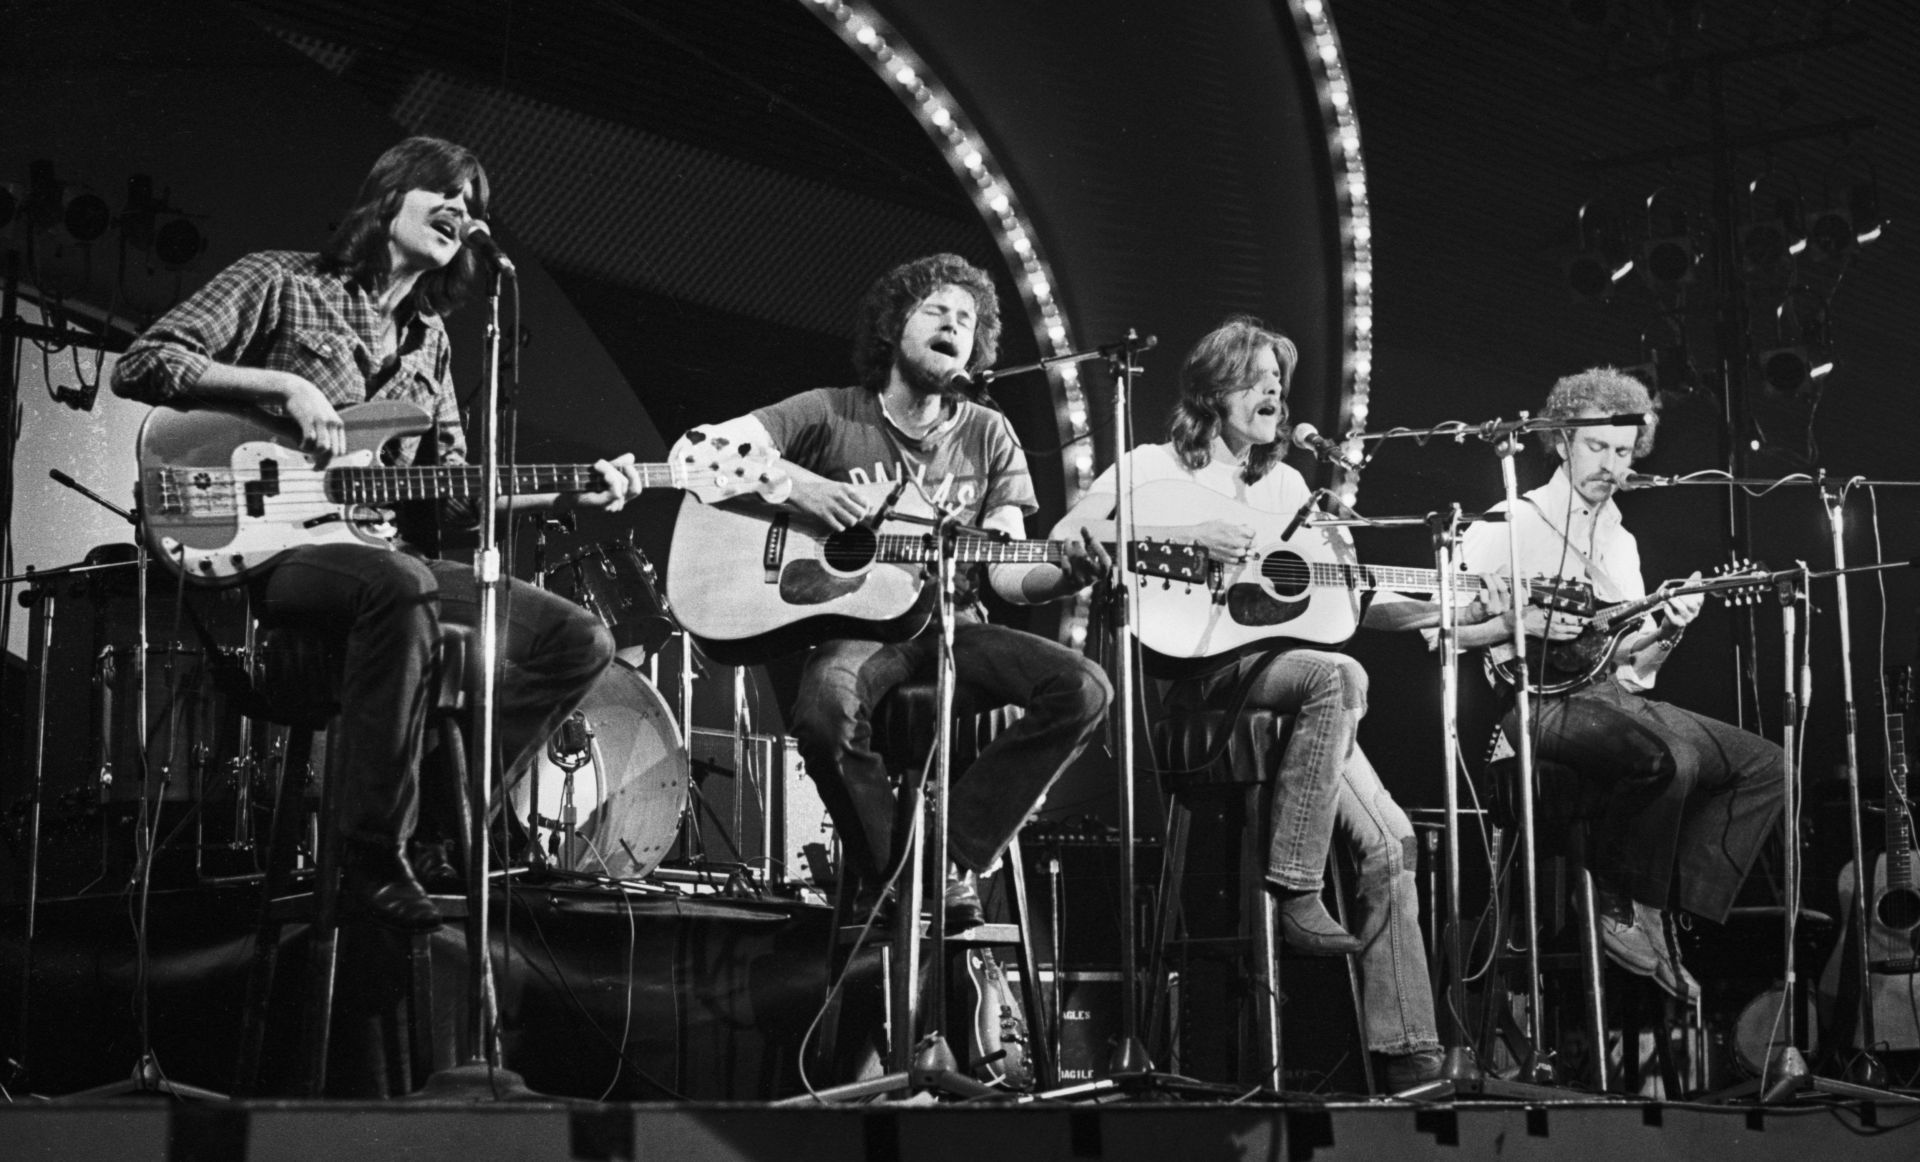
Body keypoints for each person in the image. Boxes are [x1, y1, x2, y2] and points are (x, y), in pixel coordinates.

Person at [113, 136, 644, 932]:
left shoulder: (431, 343)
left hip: (379, 558)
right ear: (389, 196)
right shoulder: (281, 279)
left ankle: (439, 824)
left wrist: (572, 487)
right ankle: (367, 859)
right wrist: (285, 386)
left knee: (578, 639)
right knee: (405, 583)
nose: (464, 213)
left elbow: (458, 499)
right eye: (447, 193)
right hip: (282, 556)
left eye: (476, 207)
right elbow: (145, 361)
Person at [1054, 316, 1478, 1090]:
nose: (1274, 393)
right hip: (1201, 686)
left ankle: (1411, 1052)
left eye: (1279, 382)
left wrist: (1458, 608)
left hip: (1292, 694)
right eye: (1257, 378)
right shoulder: (1150, 467)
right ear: (1212, 389)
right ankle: (1294, 887)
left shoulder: (1288, 487)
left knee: (1392, 843)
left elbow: (1339, 597)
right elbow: (1071, 535)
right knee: (1338, 678)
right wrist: (1192, 531)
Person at [680, 253, 1112, 926]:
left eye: (966, 319)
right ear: (893, 327)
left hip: (956, 626)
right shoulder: (830, 414)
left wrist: (1067, 571)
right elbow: (695, 454)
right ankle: (893, 874)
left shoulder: (988, 434)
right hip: (862, 631)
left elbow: (1007, 569)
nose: (953, 325)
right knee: (822, 714)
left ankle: (947, 859)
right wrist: (807, 488)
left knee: (1084, 688)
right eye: (936, 310)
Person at [1456, 367, 1786, 999]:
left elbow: (1626, 658)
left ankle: (1664, 908)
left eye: (1624, 451)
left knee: (1768, 765)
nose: (1611, 463)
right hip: (1535, 703)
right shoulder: (1509, 523)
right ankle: (1614, 905)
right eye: (1597, 447)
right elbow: (1439, 631)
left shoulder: (1623, 541)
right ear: (1561, 441)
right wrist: (1513, 621)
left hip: (1611, 696)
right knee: (1672, 759)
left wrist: (1669, 625)